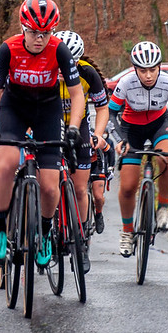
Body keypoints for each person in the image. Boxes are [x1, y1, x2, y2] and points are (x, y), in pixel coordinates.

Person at [0, 0, 85, 266]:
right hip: (14, 107)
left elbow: (77, 95)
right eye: (33, 32)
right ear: (22, 28)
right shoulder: (8, 49)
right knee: (4, 165)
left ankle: (44, 230)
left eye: (46, 33)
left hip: (47, 111)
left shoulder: (59, 49)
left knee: (51, 187)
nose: (39, 38)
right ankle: (0, 229)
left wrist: (73, 127)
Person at [109, 41, 168, 256]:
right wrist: (120, 139)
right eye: (142, 70)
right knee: (127, 187)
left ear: (159, 67)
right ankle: (127, 232)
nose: (148, 75)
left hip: (159, 124)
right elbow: (110, 113)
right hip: (131, 128)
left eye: (152, 70)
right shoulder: (125, 83)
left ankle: (163, 208)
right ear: (135, 68)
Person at [54, 30, 110, 273]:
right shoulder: (44, 69)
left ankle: (81, 244)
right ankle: (50, 228)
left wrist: (98, 133)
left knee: (79, 189)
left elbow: (102, 107)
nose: (64, 69)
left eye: (71, 64)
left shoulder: (87, 72)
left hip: (81, 128)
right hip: (51, 124)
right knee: (49, 183)